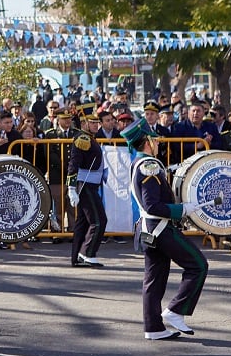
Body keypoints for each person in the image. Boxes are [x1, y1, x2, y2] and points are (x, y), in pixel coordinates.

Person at [122, 120, 209, 341]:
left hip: (149, 229)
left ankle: (153, 328)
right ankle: (176, 310)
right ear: (148, 142)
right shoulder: (148, 165)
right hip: (158, 228)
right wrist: (182, 209)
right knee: (198, 265)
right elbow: (153, 205)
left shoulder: (139, 162)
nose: (158, 141)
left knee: (154, 278)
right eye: (155, 138)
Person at [68, 111, 107, 268]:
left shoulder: (90, 138)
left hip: (91, 184)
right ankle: (87, 253)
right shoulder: (83, 139)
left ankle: (76, 256)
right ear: (83, 123)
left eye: (97, 122)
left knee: (83, 223)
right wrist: (71, 187)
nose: (96, 125)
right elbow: (73, 163)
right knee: (98, 220)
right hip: (85, 185)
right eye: (92, 122)